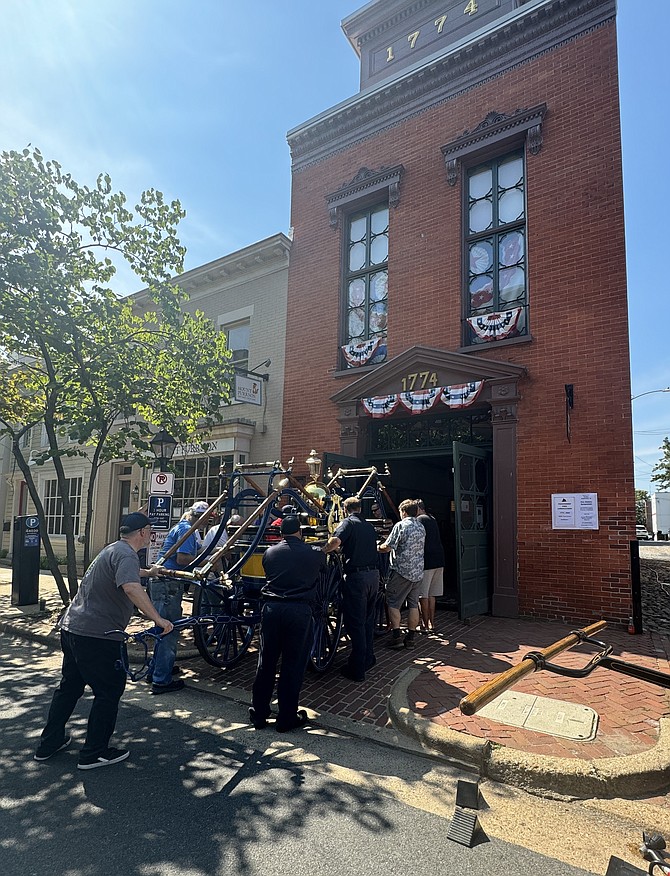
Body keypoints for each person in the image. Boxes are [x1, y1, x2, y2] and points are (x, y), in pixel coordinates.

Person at [34, 512, 174, 770]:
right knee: (108, 691)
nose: (151, 535)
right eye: (150, 531)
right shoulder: (127, 555)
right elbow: (130, 586)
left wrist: (150, 572)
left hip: (73, 629)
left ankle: (49, 743)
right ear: (143, 532)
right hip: (98, 636)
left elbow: (127, 573)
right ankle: (94, 752)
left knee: (69, 688)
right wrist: (159, 619)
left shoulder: (113, 549)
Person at [250, 514, 326, 732]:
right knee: (292, 665)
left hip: (272, 609)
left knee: (266, 663)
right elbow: (323, 568)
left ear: (281, 532)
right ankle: (286, 717)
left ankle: (260, 713)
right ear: (300, 532)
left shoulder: (270, 552)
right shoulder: (313, 553)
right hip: (299, 610)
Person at [148, 500, 208, 693]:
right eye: (204, 520)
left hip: (162, 581)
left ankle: (157, 669)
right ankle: (161, 680)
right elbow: (183, 558)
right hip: (169, 583)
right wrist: (208, 562)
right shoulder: (188, 530)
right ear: (198, 518)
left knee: (161, 627)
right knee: (169, 628)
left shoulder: (182, 527)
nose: (205, 525)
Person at [324, 496, 379, 682]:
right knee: (367, 621)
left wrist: (322, 551)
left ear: (345, 509)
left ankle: (357, 669)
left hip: (357, 578)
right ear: (360, 509)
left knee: (355, 622)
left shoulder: (348, 523)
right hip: (373, 576)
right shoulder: (369, 526)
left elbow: (335, 542)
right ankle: (368, 658)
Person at [377, 498, 425, 650]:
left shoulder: (401, 525)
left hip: (401, 571)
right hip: (417, 572)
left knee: (393, 603)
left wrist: (377, 546)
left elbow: (388, 547)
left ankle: (396, 636)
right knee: (413, 605)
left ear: (403, 512)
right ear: (416, 511)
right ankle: (410, 638)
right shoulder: (421, 526)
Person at [416, 499, 445, 634]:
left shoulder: (420, 520)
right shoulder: (432, 518)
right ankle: (432, 623)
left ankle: (424, 624)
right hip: (439, 559)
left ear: (418, 508)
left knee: (423, 594)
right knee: (433, 594)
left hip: (426, 560)